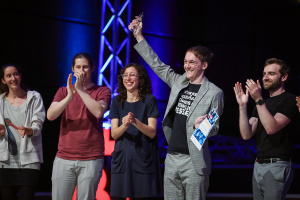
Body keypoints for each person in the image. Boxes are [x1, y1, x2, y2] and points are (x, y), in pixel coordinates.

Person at [129, 19, 224, 200]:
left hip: (193, 160)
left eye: (192, 62)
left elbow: (215, 127)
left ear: (204, 65)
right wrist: (139, 37)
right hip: (172, 158)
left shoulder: (214, 93)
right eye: (185, 62)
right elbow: (157, 65)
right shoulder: (179, 81)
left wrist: (200, 127)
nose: (187, 66)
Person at [47, 52, 111, 200]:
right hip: (64, 157)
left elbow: (98, 112)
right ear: (72, 69)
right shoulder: (63, 91)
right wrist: (70, 95)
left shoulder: (102, 91)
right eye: (78, 67)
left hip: (91, 157)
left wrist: (81, 89)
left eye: (86, 67)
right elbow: (51, 116)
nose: (82, 71)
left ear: (93, 68)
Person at [233, 58, 298, 199]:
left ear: (284, 77)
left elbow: (271, 128)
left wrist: (258, 100)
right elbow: (246, 134)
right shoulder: (263, 103)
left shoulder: (290, 100)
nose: (265, 77)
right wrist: (242, 106)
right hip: (258, 165)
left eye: (271, 73)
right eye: (264, 73)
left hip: (277, 165)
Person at [109, 63, 163, 200]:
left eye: (132, 74)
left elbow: (152, 132)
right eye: (125, 75)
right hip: (122, 159)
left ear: (140, 79)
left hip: (143, 159)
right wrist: (125, 125)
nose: (128, 78)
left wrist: (135, 122)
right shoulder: (117, 101)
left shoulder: (149, 100)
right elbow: (114, 134)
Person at [0, 63, 45, 200]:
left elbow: (38, 123)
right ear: (3, 80)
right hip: (4, 162)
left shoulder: (34, 97)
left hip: (29, 160)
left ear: (20, 76)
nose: (13, 78)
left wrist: (29, 130)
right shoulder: (0, 101)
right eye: (8, 76)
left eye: (16, 74)